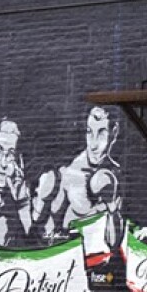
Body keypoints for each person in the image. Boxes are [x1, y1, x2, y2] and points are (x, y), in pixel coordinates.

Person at [46, 106, 124, 250]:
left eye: (101, 133)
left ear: (114, 133)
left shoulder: (116, 174)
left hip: (99, 259)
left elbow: (114, 242)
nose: (93, 144)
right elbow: (51, 222)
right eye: (89, 132)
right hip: (70, 254)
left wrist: (112, 208)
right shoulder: (72, 171)